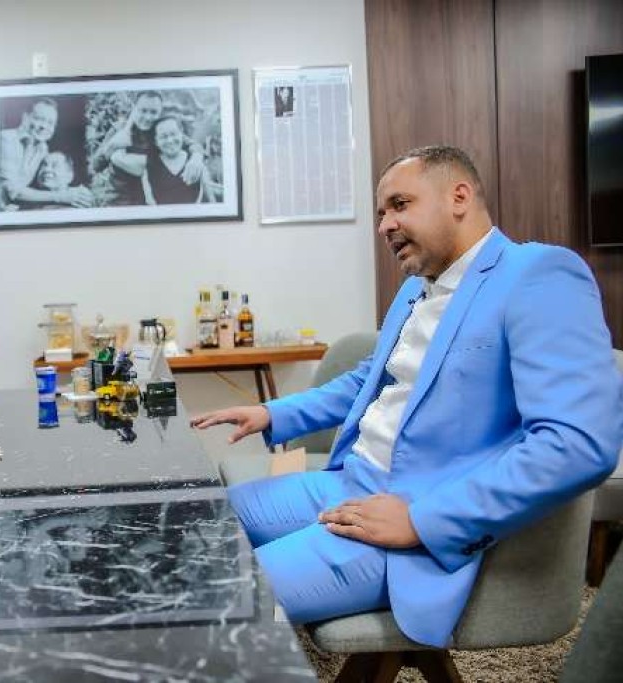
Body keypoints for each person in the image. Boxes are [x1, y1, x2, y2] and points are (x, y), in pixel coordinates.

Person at [191, 145, 622, 647]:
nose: (384, 226)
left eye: (399, 205)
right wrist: (272, 412)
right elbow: (368, 381)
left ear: (459, 197)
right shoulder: (415, 288)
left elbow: (576, 445)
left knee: (210, 594)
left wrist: (422, 520)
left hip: (414, 512)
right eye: (381, 213)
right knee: (187, 523)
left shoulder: (538, 274)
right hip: (348, 481)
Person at [92, 91, 205, 206]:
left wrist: (196, 158)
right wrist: (111, 146)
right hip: (118, 201)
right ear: (135, 109)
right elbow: (95, 166)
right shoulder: (119, 129)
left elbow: (192, 144)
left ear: (160, 112)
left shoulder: (161, 132)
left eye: (153, 112)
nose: (147, 117)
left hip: (150, 201)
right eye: (143, 111)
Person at [0, 98, 93, 209]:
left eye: (50, 123)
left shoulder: (42, 149)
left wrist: (77, 193)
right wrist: (63, 196)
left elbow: (48, 182)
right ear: (25, 117)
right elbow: (13, 191)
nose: (44, 127)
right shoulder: (6, 140)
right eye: (39, 119)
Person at [141, 116, 206, 205]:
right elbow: (149, 199)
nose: (170, 140)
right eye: (163, 137)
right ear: (156, 141)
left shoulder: (193, 159)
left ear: (182, 134)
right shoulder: (150, 164)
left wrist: (197, 157)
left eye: (173, 134)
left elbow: (205, 193)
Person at [18, 151, 94, 210]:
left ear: (69, 176)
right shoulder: (25, 205)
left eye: (55, 165)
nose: (47, 169)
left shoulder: (80, 200)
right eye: (43, 165)